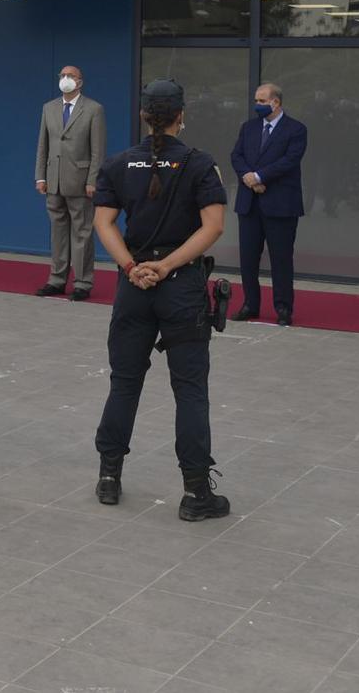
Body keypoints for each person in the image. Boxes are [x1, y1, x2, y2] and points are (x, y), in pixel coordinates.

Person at [91, 78, 230, 522]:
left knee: (124, 382)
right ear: (180, 116)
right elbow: (213, 228)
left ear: (143, 115)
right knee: (190, 390)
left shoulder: (117, 164)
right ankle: (195, 493)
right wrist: (167, 267)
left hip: (134, 287)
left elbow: (104, 223)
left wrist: (133, 268)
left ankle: (109, 477)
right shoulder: (200, 165)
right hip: (181, 286)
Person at [231, 82, 308, 326]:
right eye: (256, 100)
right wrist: (249, 179)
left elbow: (290, 160)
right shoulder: (248, 128)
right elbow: (237, 156)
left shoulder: (296, 129)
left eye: (262, 101)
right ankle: (250, 305)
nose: (258, 105)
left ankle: (283, 308)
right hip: (250, 204)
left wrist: (260, 176)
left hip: (281, 206)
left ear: (276, 102)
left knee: (281, 259)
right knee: (248, 259)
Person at [35, 64, 106, 301]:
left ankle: (83, 282)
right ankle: (56, 279)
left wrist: (92, 180)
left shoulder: (94, 109)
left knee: (82, 232)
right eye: (63, 75)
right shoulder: (49, 108)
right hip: (53, 180)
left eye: (71, 76)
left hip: (80, 181)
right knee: (58, 232)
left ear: (80, 81)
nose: (66, 79)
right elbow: (42, 145)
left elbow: (98, 150)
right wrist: (40, 176)